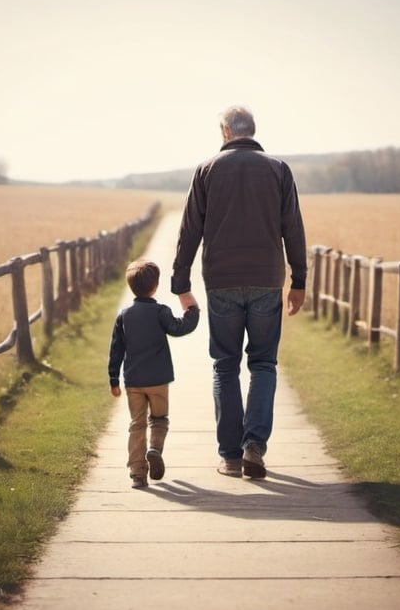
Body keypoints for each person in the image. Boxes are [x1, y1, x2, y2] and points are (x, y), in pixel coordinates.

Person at [171, 106, 306, 480]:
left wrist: (180, 285)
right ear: (251, 131)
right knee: (263, 364)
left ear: (226, 132)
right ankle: (254, 447)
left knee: (225, 365)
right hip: (266, 280)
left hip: (221, 281)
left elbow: (189, 231)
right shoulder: (278, 169)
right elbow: (292, 227)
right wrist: (299, 281)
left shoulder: (206, 169)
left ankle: (230, 456)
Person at [108, 258, 200, 489]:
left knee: (137, 423)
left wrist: (113, 379)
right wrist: (193, 311)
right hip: (159, 380)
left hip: (134, 382)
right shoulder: (161, 311)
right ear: (156, 286)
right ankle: (154, 449)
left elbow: (116, 348)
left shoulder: (124, 315)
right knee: (159, 420)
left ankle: (138, 473)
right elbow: (179, 328)